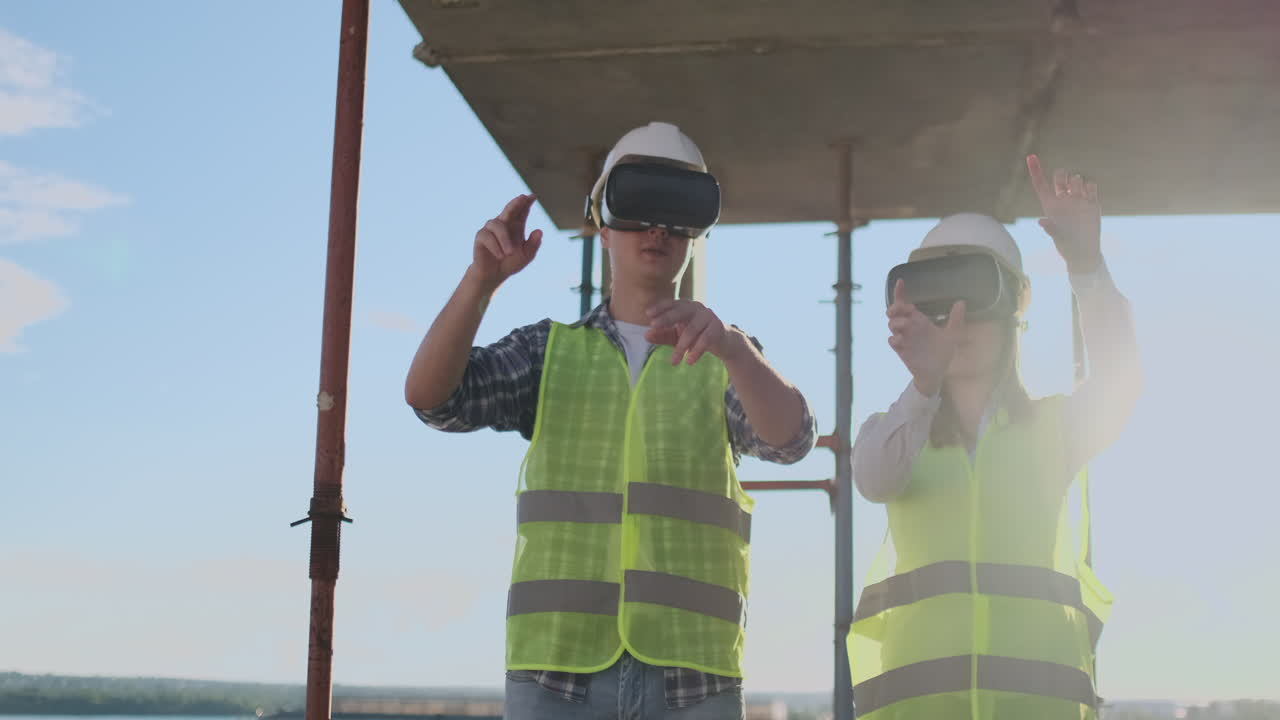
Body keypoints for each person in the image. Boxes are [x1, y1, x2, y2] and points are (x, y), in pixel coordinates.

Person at [405, 121, 817, 719]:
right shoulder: (549, 352)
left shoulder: (725, 356)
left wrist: (734, 350)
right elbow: (432, 399)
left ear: (697, 230)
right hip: (557, 673)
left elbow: (791, 441)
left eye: (677, 211)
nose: (657, 229)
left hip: (692, 677)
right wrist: (480, 284)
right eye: (638, 205)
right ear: (601, 221)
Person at [847, 155, 1142, 719]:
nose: (958, 324)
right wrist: (923, 384)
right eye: (940, 308)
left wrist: (1086, 264)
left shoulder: (1055, 431)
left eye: (976, 302)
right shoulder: (897, 432)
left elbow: (1123, 382)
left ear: (1017, 306)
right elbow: (873, 478)